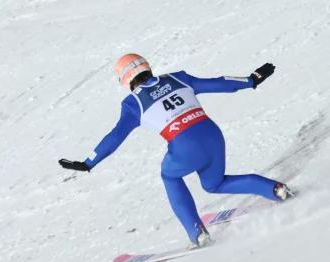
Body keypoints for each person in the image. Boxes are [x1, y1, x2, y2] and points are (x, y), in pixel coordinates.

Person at [59, 53, 294, 247]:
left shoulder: (132, 105)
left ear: (125, 80)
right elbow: (219, 82)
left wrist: (89, 162)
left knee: (169, 175)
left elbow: (114, 137)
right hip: (212, 135)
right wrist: (251, 79)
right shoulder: (177, 78)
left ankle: (197, 232)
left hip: (184, 146)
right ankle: (276, 189)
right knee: (214, 184)